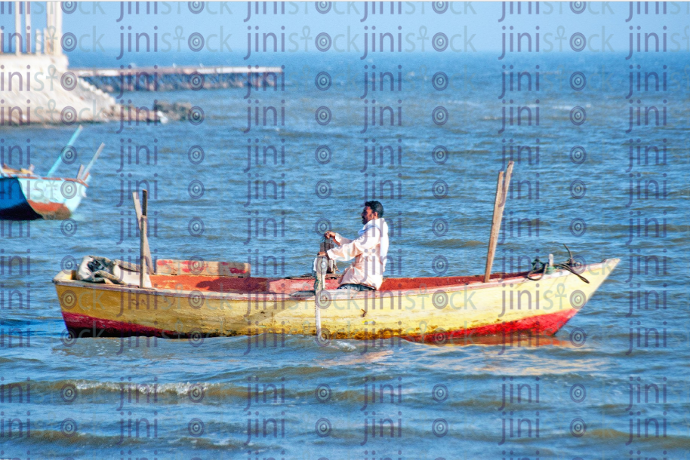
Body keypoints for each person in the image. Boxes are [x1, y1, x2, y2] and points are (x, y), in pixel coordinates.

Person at [323, 201, 389, 291]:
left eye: (365, 212)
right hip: (362, 280)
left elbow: (356, 247)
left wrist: (329, 254)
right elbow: (356, 244)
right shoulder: (375, 230)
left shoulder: (374, 232)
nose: (362, 214)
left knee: (335, 296)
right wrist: (337, 237)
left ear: (374, 214)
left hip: (364, 281)